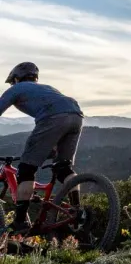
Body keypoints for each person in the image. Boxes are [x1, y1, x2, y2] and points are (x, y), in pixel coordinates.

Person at [0, 62, 84, 233]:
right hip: (76, 115)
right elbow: (62, 117)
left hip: (53, 117)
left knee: (26, 169)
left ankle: (20, 223)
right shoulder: (47, 88)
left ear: (16, 79)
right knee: (64, 167)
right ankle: (78, 211)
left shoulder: (16, 88)